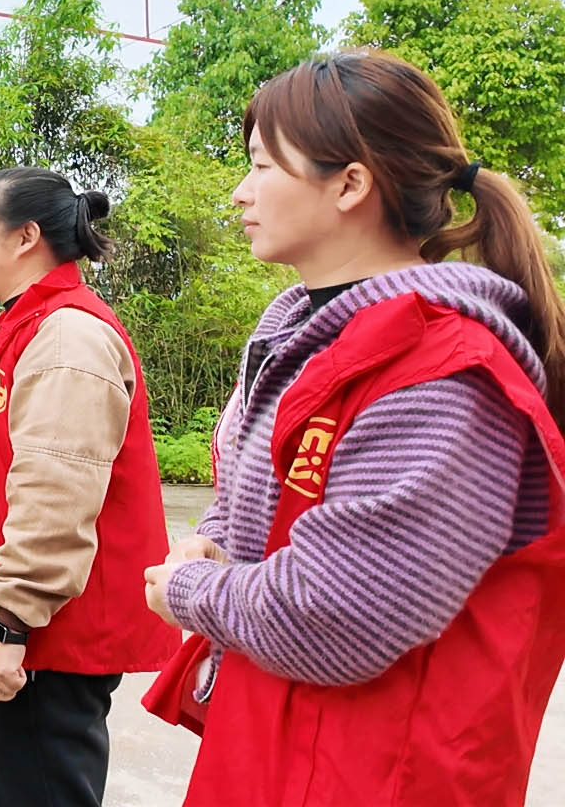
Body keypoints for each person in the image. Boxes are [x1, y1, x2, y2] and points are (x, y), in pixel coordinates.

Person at [140, 51, 565, 806]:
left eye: (262, 166)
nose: (240, 192)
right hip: (276, 748)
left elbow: (342, 616)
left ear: (350, 185)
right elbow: (258, 501)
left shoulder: (441, 372)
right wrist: (215, 540)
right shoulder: (301, 334)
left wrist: (193, 590)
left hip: (371, 773)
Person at [0, 166, 179, 807]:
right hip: (25, 629)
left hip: (44, 637)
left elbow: (57, 492)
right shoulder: (25, 324)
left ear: (25, 236)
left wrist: (10, 624)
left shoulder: (68, 335)